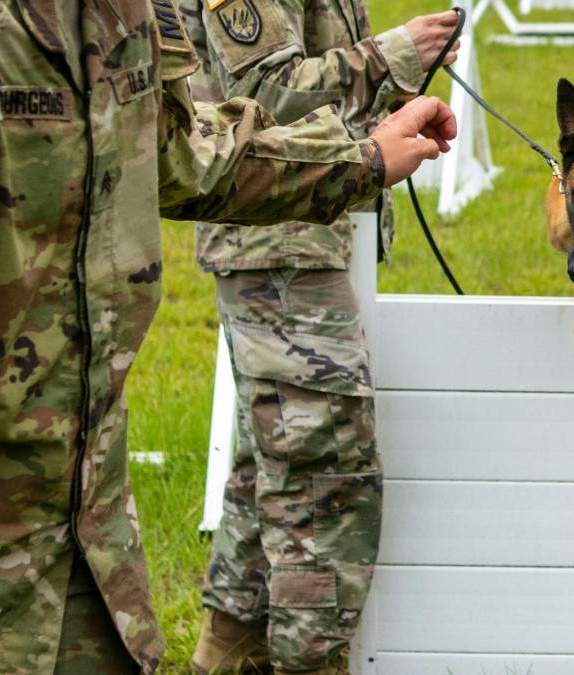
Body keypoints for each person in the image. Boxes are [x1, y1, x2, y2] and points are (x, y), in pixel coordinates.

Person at [0, 0, 456, 670]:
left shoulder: (119, 11)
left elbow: (178, 151)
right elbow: (260, 87)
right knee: (316, 461)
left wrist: (360, 157)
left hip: (88, 549)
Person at [179, 2, 460, 673]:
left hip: (301, 225)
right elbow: (264, 94)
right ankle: (308, 659)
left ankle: (231, 643)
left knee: (275, 452)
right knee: (322, 472)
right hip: (277, 236)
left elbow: (304, 77)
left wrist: (392, 92)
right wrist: (392, 55)